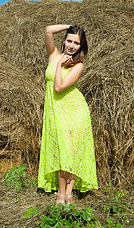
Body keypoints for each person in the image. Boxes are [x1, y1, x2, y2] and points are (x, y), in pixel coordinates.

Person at [38, 24, 98, 205]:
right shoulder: (53, 55)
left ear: (81, 46)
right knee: (59, 151)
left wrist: (59, 68)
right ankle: (60, 193)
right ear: (63, 41)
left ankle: (68, 194)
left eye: (76, 43)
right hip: (55, 111)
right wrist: (70, 26)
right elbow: (48, 30)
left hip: (74, 111)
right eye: (69, 40)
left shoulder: (78, 65)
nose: (72, 45)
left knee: (69, 153)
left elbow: (58, 87)